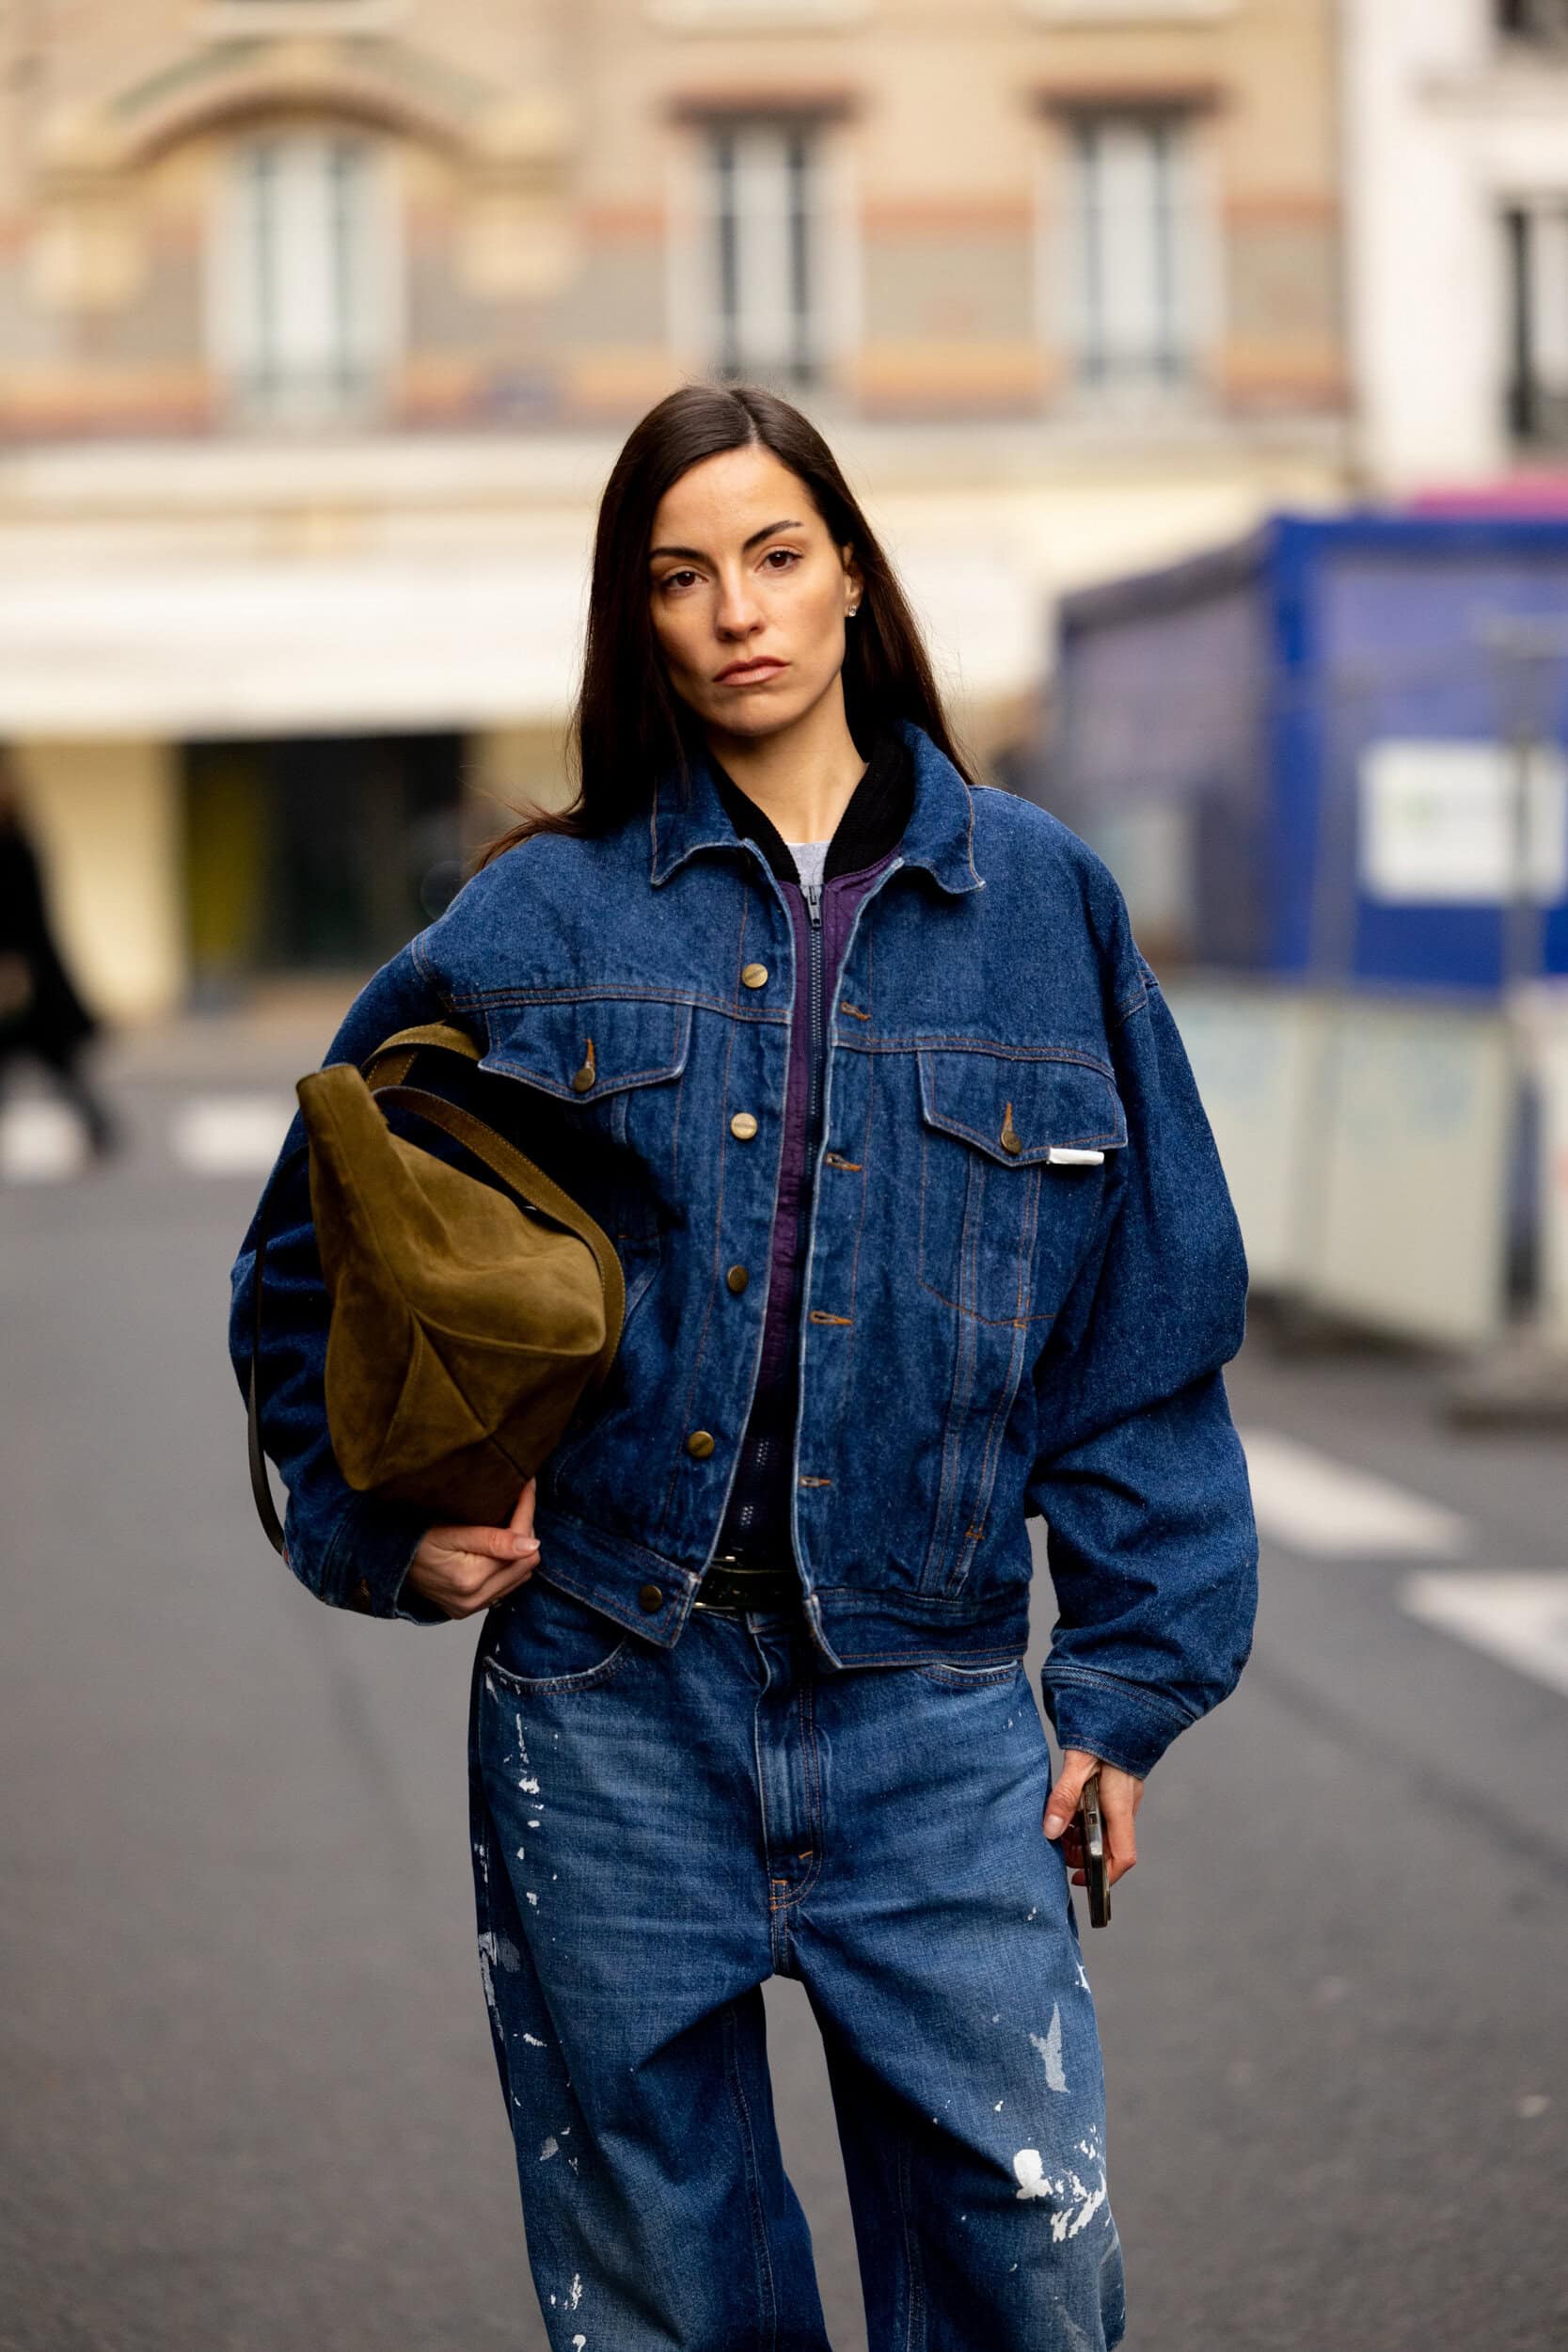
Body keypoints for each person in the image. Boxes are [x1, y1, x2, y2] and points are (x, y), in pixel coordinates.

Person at [230, 382, 1258, 2352]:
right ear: (635, 616)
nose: (734, 612)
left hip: (933, 1711)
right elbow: (309, 1248)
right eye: (678, 575)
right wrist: (380, 1523)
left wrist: (1127, 1682)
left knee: (1028, 2273)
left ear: (849, 575)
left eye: (775, 556)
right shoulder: (536, 917)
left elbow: (1141, 1326)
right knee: (665, 2297)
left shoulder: (1041, 906)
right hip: (610, 1698)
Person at [0, 747, 119, 1162]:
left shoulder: (19, 844)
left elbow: (28, 917)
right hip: (25, 979)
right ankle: (99, 1129)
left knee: (59, 1065)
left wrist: (15, 967)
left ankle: (100, 1129)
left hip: (26, 978)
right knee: (50, 1063)